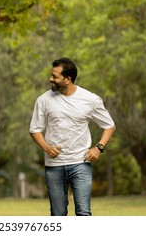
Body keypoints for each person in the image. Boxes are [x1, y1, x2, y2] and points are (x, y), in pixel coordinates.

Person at [29, 57, 115, 216]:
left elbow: (109, 125)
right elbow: (34, 130)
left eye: (55, 76)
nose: (50, 79)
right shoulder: (43, 100)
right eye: (51, 75)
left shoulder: (90, 99)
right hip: (54, 166)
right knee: (58, 214)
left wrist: (99, 147)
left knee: (83, 213)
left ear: (68, 79)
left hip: (80, 163)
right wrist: (47, 148)